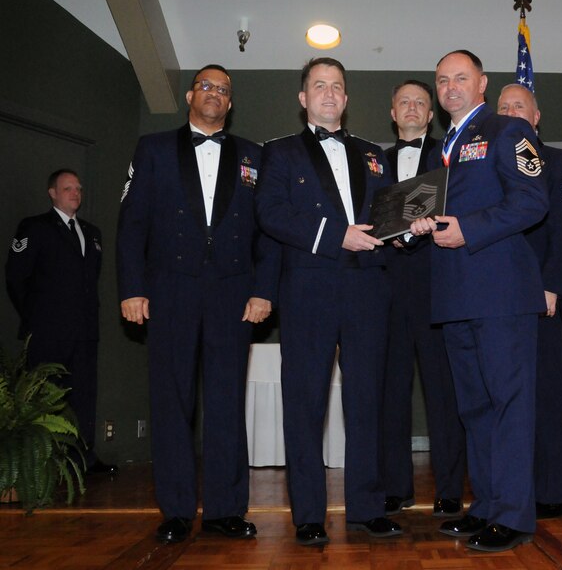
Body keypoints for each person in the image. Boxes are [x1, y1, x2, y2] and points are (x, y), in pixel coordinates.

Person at [117, 64, 279, 544]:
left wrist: (264, 289)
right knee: (172, 403)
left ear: (230, 104)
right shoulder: (154, 149)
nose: (214, 94)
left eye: (223, 90)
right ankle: (176, 511)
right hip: (170, 292)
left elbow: (268, 233)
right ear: (191, 95)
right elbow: (132, 225)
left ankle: (227, 509)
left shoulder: (254, 156)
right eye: (206, 86)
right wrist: (131, 288)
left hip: (234, 295)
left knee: (228, 402)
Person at [255, 57, 402, 546]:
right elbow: (271, 214)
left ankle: (365, 506)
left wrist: (402, 233)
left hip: (367, 290)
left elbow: (387, 216)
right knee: (304, 404)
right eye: (319, 86)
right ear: (303, 99)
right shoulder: (279, 153)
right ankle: (309, 515)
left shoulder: (372, 153)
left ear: (346, 97)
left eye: (337, 86)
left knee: (367, 402)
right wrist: (336, 236)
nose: (329, 93)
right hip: (309, 290)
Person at [410, 50, 548, 552]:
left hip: (501, 293)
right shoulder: (443, 147)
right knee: (474, 408)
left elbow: (533, 201)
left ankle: (513, 516)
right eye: (442, 79)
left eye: (460, 78)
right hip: (454, 295)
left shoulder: (508, 131)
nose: (450, 87)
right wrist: (415, 227)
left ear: (482, 83)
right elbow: (429, 215)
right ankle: (488, 504)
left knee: (509, 403)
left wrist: (468, 229)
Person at [382, 79, 466, 518]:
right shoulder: (372, 161)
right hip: (387, 293)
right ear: (393, 113)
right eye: (404, 103)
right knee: (391, 391)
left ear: (430, 114)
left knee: (444, 393)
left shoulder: (448, 157)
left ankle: (450, 488)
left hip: (438, 287)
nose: (413, 108)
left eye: (421, 102)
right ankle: (395, 486)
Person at [496, 84, 562, 519]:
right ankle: (517, 491)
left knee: (549, 395)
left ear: (536, 116)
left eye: (519, 106)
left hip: (543, 296)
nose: (511, 112)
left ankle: (557, 491)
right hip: (499, 299)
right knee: (508, 399)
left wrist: (551, 286)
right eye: (504, 106)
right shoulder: (490, 162)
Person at [6, 168, 116, 475]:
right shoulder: (35, 227)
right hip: (47, 332)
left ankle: (82, 458)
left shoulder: (92, 233)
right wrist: (36, 317)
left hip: (83, 332)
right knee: (45, 395)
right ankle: (44, 462)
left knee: (83, 395)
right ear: (52, 193)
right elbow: (16, 277)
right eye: (68, 189)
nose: (75, 194)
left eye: (78, 189)